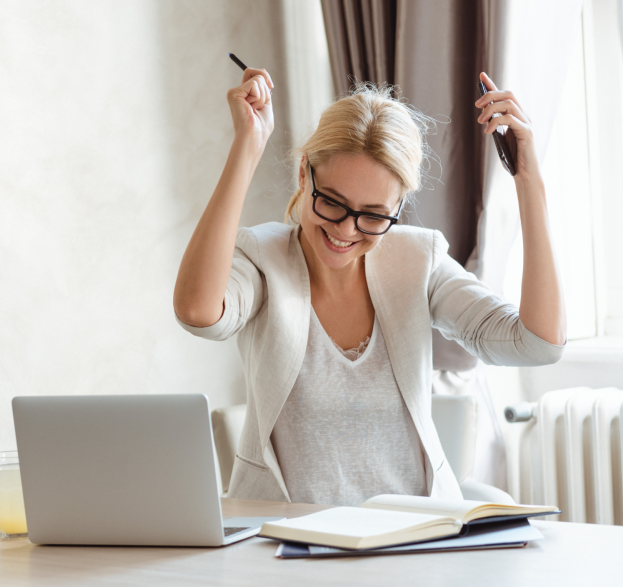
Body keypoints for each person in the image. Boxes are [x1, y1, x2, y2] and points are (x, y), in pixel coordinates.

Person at [173, 67, 565, 505]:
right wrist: (247, 148)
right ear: (304, 174)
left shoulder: (417, 260)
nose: (345, 229)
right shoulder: (263, 258)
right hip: (287, 547)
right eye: (332, 202)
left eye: (374, 215)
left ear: (399, 206)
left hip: (410, 543)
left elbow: (537, 344)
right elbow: (198, 312)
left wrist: (530, 183)